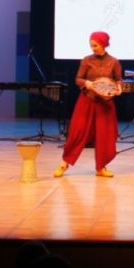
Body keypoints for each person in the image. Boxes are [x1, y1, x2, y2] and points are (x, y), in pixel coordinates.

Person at [55, 30, 122, 178]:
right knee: (77, 131)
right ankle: (64, 163)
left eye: (95, 45)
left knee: (105, 135)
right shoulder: (86, 60)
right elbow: (78, 79)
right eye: (91, 45)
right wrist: (87, 83)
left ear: (103, 44)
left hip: (105, 103)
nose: (93, 48)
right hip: (87, 100)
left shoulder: (114, 62)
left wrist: (119, 88)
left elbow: (118, 79)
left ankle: (101, 167)